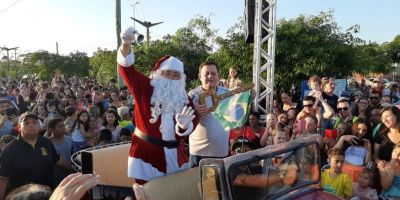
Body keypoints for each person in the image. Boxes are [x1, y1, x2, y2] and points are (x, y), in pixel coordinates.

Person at [118, 27, 197, 184]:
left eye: (176, 75)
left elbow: (193, 122)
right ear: (158, 73)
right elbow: (127, 68)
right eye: (168, 73)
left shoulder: (184, 98)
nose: (172, 78)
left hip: (176, 156)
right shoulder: (145, 87)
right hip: (146, 157)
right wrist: (126, 43)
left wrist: (182, 128)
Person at [0, 112, 70, 199]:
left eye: (34, 122)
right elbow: (3, 180)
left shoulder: (46, 142)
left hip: (46, 195)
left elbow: (58, 160)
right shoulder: (9, 150)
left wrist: (76, 170)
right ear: (18, 127)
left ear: (38, 126)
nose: (31, 125)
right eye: (26, 123)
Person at [188, 61, 229, 167]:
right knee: (198, 183)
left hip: (221, 152)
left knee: (219, 183)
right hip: (199, 154)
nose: (210, 76)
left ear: (218, 76)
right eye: (206, 74)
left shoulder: (227, 93)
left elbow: (240, 109)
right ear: (200, 76)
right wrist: (196, 113)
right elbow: (183, 123)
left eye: (213, 73)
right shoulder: (192, 96)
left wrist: (250, 96)